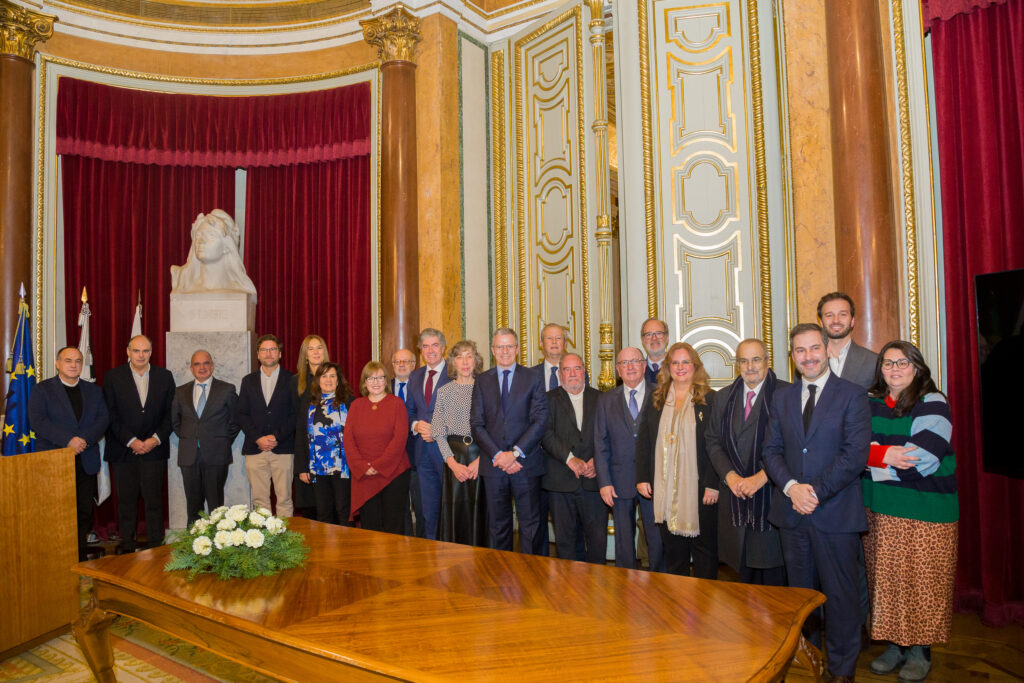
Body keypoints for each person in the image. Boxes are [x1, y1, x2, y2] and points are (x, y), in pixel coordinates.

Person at [762, 323, 871, 683]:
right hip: (792, 514)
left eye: (813, 348)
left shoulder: (853, 395)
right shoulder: (782, 397)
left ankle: (841, 670)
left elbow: (854, 456)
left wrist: (814, 493)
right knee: (801, 597)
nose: (807, 356)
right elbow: (771, 451)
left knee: (840, 597)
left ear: (826, 350)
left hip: (835, 513)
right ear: (792, 356)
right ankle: (808, 659)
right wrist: (792, 487)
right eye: (799, 350)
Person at [862, 341, 958, 682]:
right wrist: (882, 455)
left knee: (923, 583)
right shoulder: (870, 402)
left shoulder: (933, 402)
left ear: (917, 367)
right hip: (879, 509)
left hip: (927, 510)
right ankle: (895, 645)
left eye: (903, 362)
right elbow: (850, 447)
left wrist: (871, 461)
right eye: (888, 363)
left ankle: (921, 649)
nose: (895, 369)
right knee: (887, 582)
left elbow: (921, 459)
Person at [705, 338, 787, 585]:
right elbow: (712, 441)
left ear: (767, 361)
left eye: (756, 360)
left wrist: (762, 477)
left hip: (771, 499)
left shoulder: (786, 394)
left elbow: (793, 445)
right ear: (737, 365)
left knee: (773, 584)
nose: (750, 366)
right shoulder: (723, 398)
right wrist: (729, 476)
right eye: (744, 361)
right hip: (735, 499)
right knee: (741, 582)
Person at [635, 342, 718, 578]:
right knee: (674, 555)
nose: (680, 367)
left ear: (695, 366)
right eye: (675, 363)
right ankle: (677, 599)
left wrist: (713, 484)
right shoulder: (657, 398)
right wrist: (642, 477)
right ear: (668, 367)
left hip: (700, 490)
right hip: (665, 489)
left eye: (685, 362)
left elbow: (717, 446)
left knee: (704, 554)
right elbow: (644, 441)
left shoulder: (710, 399)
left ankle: (706, 599)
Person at [470, 328, 549, 554]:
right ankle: (501, 569)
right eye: (499, 346)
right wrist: (498, 455)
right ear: (493, 350)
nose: (504, 351)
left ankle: (531, 571)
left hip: (525, 463)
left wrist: (514, 454)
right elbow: (476, 423)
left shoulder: (533, 378)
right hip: (494, 466)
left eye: (509, 346)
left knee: (531, 527)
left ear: (517, 349)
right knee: (498, 527)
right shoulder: (482, 381)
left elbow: (540, 420)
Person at [29, 347, 110, 561]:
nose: (73, 365)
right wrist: (68, 440)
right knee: (55, 512)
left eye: (77, 361)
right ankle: (56, 559)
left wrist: (83, 440)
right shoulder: (42, 390)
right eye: (68, 360)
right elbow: (38, 421)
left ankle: (79, 558)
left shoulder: (93, 391)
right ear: (57, 364)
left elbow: (103, 419)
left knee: (84, 512)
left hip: (86, 461)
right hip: (54, 460)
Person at [102, 335, 175, 552]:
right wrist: (131, 441)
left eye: (145, 351)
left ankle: (156, 548)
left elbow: (171, 414)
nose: (141, 355)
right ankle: (127, 547)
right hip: (123, 451)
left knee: (154, 502)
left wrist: (155, 439)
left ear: (151, 352)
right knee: (126, 502)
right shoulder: (113, 377)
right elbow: (109, 414)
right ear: (128, 352)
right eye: (136, 350)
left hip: (154, 450)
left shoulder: (165, 376)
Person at [594, 346, 664, 570]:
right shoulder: (606, 400)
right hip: (618, 481)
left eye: (635, 361)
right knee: (624, 541)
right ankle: (625, 584)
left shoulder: (661, 394)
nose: (630, 367)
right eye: (624, 363)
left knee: (657, 538)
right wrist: (604, 482)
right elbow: (600, 444)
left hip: (654, 480)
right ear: (618, 369)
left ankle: (661, 580)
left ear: (644, 366)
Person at [541, 353, 607, 563]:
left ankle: (597, 582)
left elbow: (609, 434)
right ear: (560, 374)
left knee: (597, 542)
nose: (572, 374)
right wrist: (570, 458)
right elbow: (545, 434)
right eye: (567, 369)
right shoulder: (547, 399)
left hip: (594, 481)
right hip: (560, 482)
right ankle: (569, 582)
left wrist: (597, 460)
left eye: (577, 368)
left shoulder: (602, 399)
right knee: (566, 544)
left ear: (584, 371)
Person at [171, 350, 240, 526]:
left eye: (206, 363)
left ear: (212, 366)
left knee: (216, 507)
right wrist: (191, 438)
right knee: (193, 506)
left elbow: (236, 420)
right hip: (189, 456)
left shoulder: (226, 389)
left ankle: (218, 540)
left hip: (217, 455)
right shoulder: (180, 392)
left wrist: (222, 441)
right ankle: (194, 540)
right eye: (197, 364)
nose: (202, 367)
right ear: (191, 368)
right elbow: (175, 422)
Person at [430, 340, 488, 546]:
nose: (465, 362)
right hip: (454, 459)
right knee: (456, 512)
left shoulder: (486, 389)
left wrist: (481, 461)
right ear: (453, 362)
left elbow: (494, 430)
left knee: (481, 511)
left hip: (481, 457)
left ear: (476, 360)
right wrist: (452, 463)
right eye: (459, 357)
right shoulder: (444, 392)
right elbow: (438, 431)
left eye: (469, 356)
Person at [345, 361, 411, 533]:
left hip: (393, 473)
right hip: (364, 476)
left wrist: (378, 465)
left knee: (393, 527)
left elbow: (399, 440)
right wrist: (363, 467)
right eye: (371, 378)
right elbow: (348, 440)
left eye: (380, 378)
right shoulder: (356, 405)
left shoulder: (396, 404)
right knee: (369, 528)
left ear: (386, 381)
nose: (375, 382)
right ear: (364, 382)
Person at [237, 334, 296, 517]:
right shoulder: (248, 381)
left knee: (284, 499)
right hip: (255, 449)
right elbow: (241, 413)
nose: (268, 353)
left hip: (283, 448)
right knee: (260, 501)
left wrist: (276, 437)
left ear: (280, 353)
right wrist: (258, 438)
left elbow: (295, 414)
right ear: (258, 354)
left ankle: (285, 535)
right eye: (264, 350)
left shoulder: (292, 379)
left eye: (272, 349)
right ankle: (263, 535)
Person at [295, 362, 353, 526]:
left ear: (338, 380)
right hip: (318, 466)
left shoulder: (349, 401)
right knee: (323, 512)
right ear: (318, 380)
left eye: (332, 376)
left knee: (344, 511)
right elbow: (301, 436)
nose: (328, 380)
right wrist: (302, 468)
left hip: (343, 467)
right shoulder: (309, 403)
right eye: (324, 376)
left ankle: (346, 541)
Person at [406, 328, 450, 539]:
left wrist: (438, 431)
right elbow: (409, 411)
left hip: (450, 452)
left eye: (435, 345)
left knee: (450, 508)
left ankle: (452, 550)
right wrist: (416, 425)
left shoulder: (455, 373)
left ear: (443, 348)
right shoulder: (415, 376)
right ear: (420, 350)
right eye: (425, 346)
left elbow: (465, 413)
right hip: (422, 453)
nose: (430, 350)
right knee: (428, 511)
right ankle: (432, 551)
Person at [170, 209, 257, 296]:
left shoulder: (241, 291)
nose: (201, 241)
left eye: (211, 235)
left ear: (227, 246)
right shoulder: (181, 283)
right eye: (198, 235)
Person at [292, 334, 330, 515]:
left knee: (333, 509)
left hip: (331, 454)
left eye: (319, 347)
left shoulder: (334, 378)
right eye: (311, 348)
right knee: (312, 510)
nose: (316, 352)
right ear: (305, 355)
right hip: (307, 453)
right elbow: (297, 425)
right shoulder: (295, 382)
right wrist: (302, 466)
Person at [392, 348, 423, 537]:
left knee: (421, 508)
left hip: (419, 458)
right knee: (398, 509)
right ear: (392, 365)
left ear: (414, 365)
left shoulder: (423, 389)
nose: (402, 365)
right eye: (398, 361)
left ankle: (424, 546)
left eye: (406, 361)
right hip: (392, 461)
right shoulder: (383, 388)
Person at [817, 291, 877, 389]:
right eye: (829, 315)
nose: (836, 320)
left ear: (852, 321)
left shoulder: (873, 362)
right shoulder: (808, 361)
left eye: (843, 314)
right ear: (821, 323)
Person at [640, 318, 669, 385]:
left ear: (667, 338)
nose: (654, 338)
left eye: (658, 333)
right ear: (643, 340)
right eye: (649, 334)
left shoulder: (677, 369)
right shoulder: (638, 371)